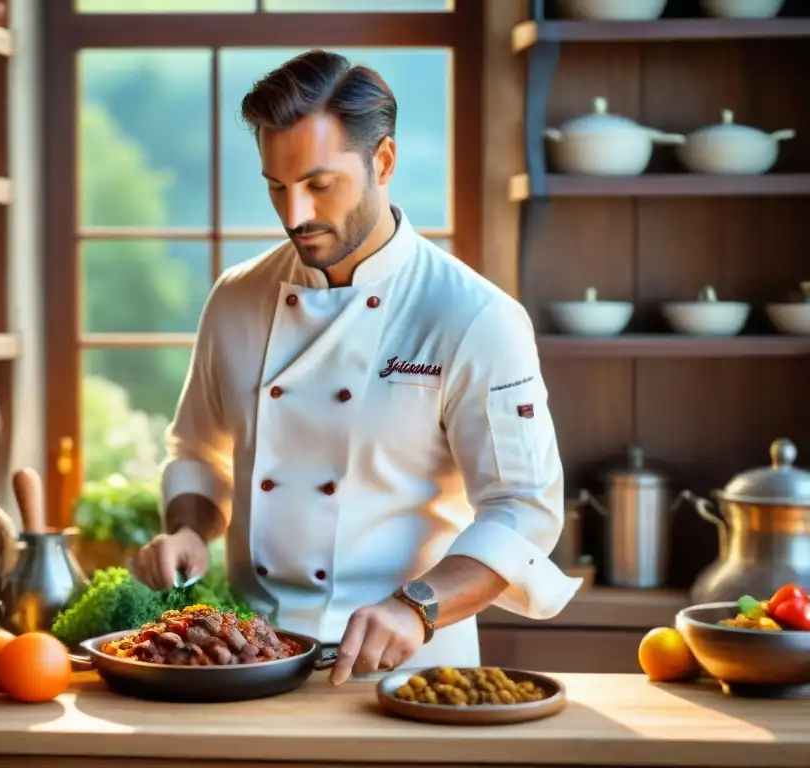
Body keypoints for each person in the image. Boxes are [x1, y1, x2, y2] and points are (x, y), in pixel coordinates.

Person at [132, 49, 582, 686]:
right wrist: (188, 531)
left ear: (384, 161)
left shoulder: (475, 316)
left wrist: (419, 606)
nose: (294, 214)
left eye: (319, 185)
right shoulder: (235, 298)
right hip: (246, 660)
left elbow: (522, 509)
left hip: (410, 672)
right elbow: (198, 453)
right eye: (277, 186)